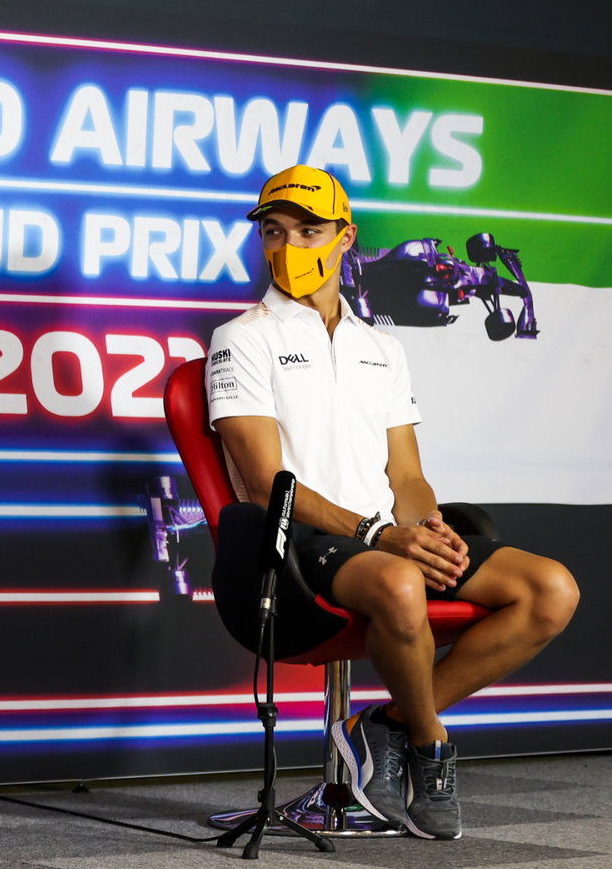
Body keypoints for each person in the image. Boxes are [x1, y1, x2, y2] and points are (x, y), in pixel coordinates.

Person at [205, 165, 578, 840]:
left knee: (549, 589)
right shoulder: (241, 338)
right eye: (274, 231)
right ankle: (431, 747)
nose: (289, 246)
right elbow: (265, 486)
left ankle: (384, 727)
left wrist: (430, 527)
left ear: (347, 238)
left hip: (382, 537)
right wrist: (379, 535)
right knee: (403, 581)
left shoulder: (383, 347)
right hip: (295, 541)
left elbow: (406, 474)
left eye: (309, 230)